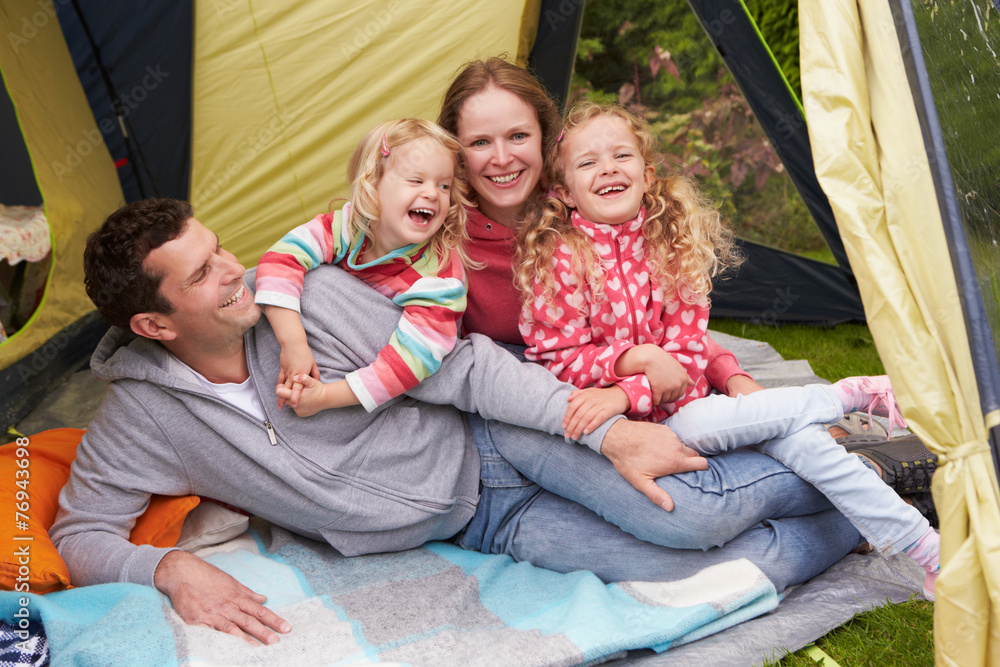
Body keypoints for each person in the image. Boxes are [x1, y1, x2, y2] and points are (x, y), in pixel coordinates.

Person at [53, 198, 864, 646]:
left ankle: (865, 459)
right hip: (479, 525)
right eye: (204, 273)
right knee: (695, 571)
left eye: (221, 247)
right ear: (155, 325)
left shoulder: (303, 297)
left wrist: (603, 431)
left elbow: (465, 366)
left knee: (699, 515)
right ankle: (873, 511)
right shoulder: (142, 415)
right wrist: (165, 571)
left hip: (498, 442)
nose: (237, 269)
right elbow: (81, 528)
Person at [514, 101, 940, 598]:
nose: (608, 168)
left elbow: (690, 347)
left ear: (647, 174)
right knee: (769, 424)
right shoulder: (558, 259)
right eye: (587, 162)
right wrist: (631, 382)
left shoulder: (670, 245)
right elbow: (558, 356)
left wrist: (635, 387)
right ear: (564, 191)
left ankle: (928, 552)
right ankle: (847, 397)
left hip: (691, 406)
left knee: (807, 444)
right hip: (639, 428)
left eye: (621, 156)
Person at [254, 118, 469, 415]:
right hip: (334, 342)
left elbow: (408, 364)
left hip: (404, 383)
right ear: (372, 186)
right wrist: (294, 344)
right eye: (416, 181)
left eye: (444, 186)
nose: (433, 193)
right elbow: (280, 258)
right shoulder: (349, 226)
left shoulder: (440, 278)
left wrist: (324, 398)